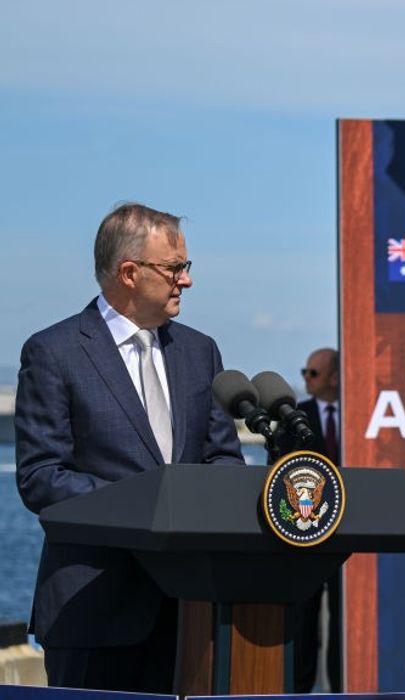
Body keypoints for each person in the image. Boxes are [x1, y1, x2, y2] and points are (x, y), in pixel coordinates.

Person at [14, 202, 244, 692]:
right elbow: (41, 477)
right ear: (130, 273)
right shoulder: (53, 352)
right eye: (176, 267)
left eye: (187, 267)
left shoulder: (201, 351)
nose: (187, 280)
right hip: (93, 609)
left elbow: (223, 458)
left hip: (190, 611)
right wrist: (149, 506)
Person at [287, 347, 343, 693]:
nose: (306, 378)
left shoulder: (360, 412)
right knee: (303, 622)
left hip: (347, 535)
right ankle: (299, 691)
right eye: (305, 372)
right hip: (305, 533)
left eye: (314, 373)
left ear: (334, 378)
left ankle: (342, 689)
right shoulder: (297, 416)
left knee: (343, 621)